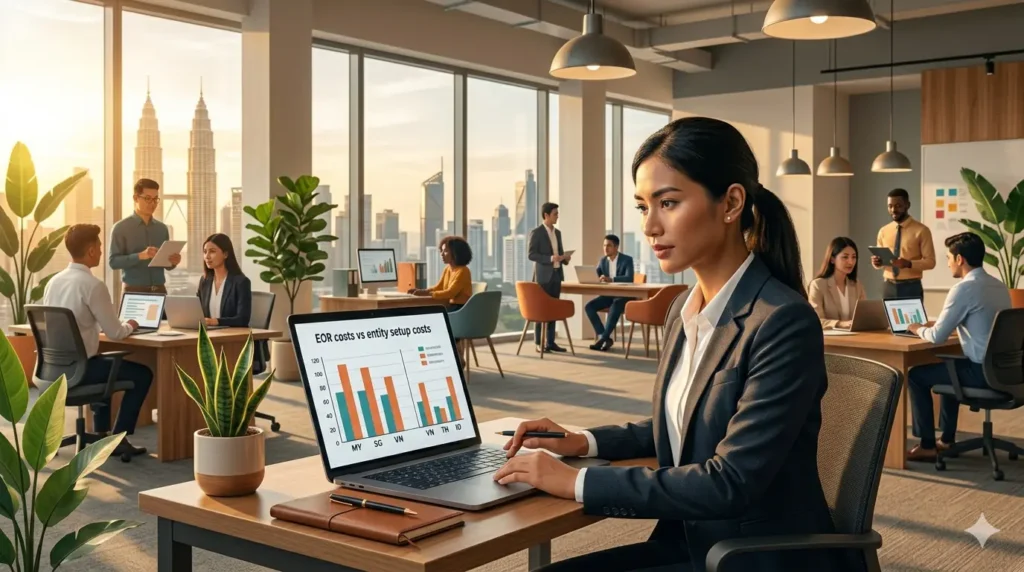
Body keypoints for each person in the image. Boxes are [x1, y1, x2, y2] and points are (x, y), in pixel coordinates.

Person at [494, 117, 843, 572]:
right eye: (643, 207)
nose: (651, 226)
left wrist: (576, 483)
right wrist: (580, 441)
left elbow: (730, 481)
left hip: (751, 555)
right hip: (692, 540)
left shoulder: (782, 321)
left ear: (731, 203)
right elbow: (678, 426)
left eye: (669, 203)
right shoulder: (684, 308)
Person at [42, 224, 153, 458]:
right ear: (92, 250)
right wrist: (131, 324)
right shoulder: (93, 285)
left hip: (54, 370)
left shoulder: (54, 281)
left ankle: (101, 432)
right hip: (82, 371)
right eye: (100, 247)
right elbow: (115, 333)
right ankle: (118, 439)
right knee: (142, 373)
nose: (102, 252)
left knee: (105, 363)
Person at [904, 232, 1010, 462]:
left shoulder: (963, 289)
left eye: (948, 258)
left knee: (915, 376)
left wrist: (915, 328)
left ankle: (927, 445)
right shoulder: (999, 286)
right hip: (1005, 371)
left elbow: (936, 337)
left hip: (982, 373)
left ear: (960, 259)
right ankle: (947, 439)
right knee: (949, 366)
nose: (948, 263)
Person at [109, 178, 180, 294]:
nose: (152, 203)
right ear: (136, 198)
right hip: (133, 291)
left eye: (155, 199)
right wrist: (141, 256)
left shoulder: (162, 229)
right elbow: (113, 262)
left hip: (159, 289)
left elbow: (167, 265)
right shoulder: (120, 228)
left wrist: (173, 262)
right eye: (147, 198)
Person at [871, 188, 935, 299]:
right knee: (886, 317)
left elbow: (930, 262)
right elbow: (881, 261)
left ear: (907, 205)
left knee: (912, 317)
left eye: (898, 206)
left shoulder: (922, 231)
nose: (893, 210)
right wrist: (877, 263)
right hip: (888, 286)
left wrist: (908, 264)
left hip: (911, 287)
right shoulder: (883, 231)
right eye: (890, 206)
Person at [528, 202, 570, 353]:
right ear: (546, 215)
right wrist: (551, 258)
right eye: (555, 214)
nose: (557, 216)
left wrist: (565, 258)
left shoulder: (557, 233)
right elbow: (531, 255)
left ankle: (550, 342)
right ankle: (539, 342)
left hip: (556, 275)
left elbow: (560, 252)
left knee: (553, 309)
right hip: (543, 277)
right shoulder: (537, 232)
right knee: (541, 310)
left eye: (557, 214)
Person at [584, 234, 634, 351]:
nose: (605, 248)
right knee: (589, 307)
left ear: (616, 247)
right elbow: (595, 275)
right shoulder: (602, 261)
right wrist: (592, 277)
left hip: (624, 296)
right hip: (608, 295)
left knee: (615, 305)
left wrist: (612, 279)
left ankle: (603, 339)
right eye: (604, 245)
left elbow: (629, 278)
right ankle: (604, 337)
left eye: (609, 246)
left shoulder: (627, 259)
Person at [808, 237, 867, 329]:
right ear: (832, 259)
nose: (850, 262)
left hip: (855, 338)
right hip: (828, 339)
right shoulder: (818, 285)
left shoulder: (856, 285)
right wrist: (840, 323)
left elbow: (864, 317)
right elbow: (816, 320)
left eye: (854, 257)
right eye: (845, 257)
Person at [197, 233, 252, 328]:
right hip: (208, 334)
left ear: (225, 254)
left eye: (212, 251)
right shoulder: (204, 281)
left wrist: (216, 321)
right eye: (205, 252)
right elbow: (197, 311)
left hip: (232, 337)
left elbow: (243, 319)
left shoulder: (241, 282)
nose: (207, 256)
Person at [408, 236, 473, 311]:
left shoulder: (463, 271)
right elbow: (439, 287)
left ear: (456, 252)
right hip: (450, 306)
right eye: (441, 251)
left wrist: (428, 294)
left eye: (445, 251)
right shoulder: (448, 269)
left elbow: (450, 293)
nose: (442, 254)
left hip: (460, 309)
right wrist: (423, 291)